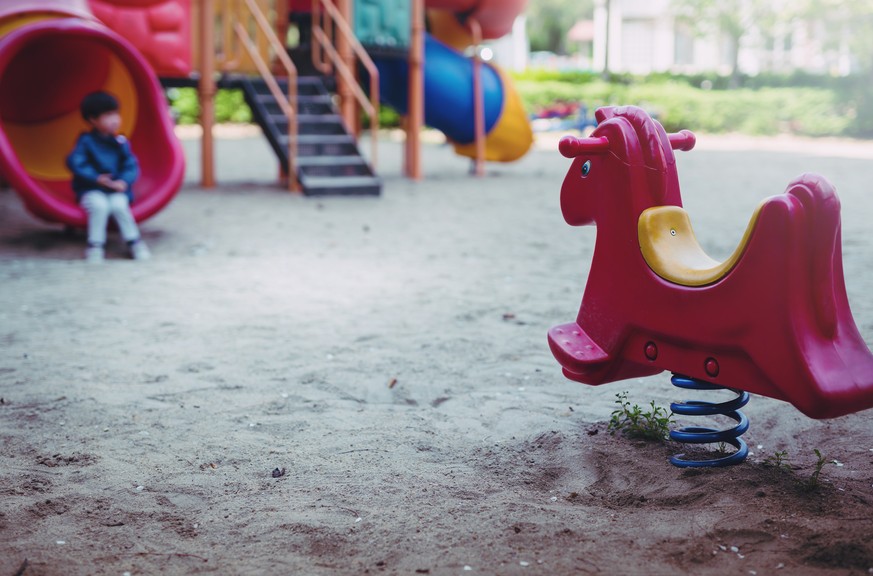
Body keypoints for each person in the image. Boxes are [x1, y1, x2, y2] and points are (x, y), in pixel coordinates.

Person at [66, 91, 150, 262]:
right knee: (99, 205)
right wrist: (96, 178)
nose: (115, 120)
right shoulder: (86, 141)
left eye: (116, 114)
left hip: (115, 189)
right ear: (93, 120)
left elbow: (130, 165)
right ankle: (96, 245)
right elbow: (76, 162)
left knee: (119, 205)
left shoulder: (120, 142)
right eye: (108, 115)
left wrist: (123, 181)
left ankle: (134, 241)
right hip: (91, 188)